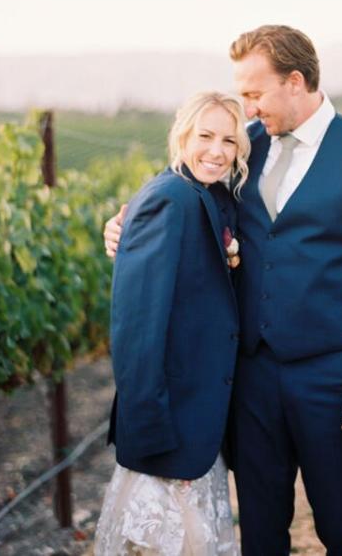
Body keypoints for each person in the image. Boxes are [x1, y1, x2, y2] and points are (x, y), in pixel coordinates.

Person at [105, 25, 342, 555]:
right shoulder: (244, 149)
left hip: (334, 377)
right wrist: (123, 223)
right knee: (262, 531)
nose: (246, 106)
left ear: (294, 82)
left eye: (253, 93)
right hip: (251, 380)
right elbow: (183, 192)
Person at [94, 91, 250, 556]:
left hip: (199, 419)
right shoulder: (168, 200)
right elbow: (137, 327)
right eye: (205, 136)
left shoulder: (212, 196)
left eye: (229, 140)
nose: (217, 151)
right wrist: (151, 431)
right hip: (169, 425)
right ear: (181, 136)